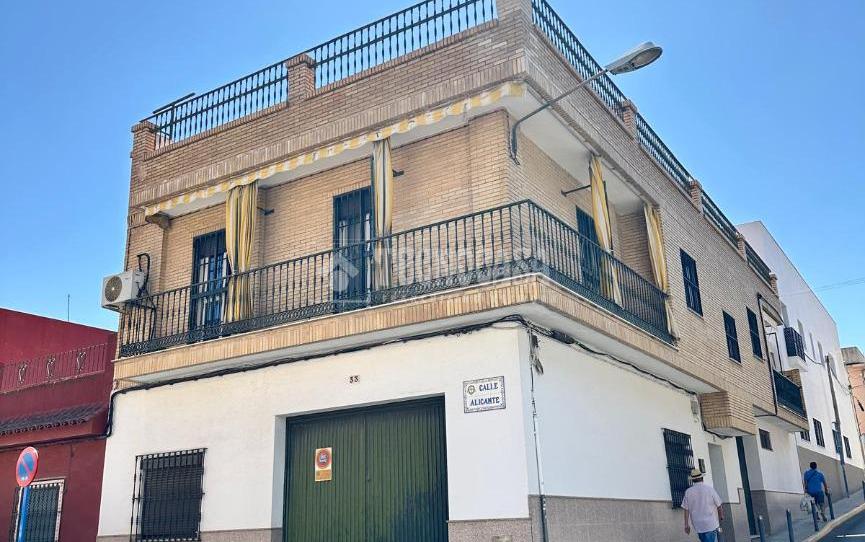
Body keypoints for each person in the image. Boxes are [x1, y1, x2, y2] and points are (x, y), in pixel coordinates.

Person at [682, 468, 724, 542]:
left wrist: (686, 525)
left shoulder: (688, 492)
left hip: (698, 525)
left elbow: (686, 509)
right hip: (711, 524)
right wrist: (721, 516)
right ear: (702, 478)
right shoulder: (709, 489)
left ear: (692, 480)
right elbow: (719, 505)